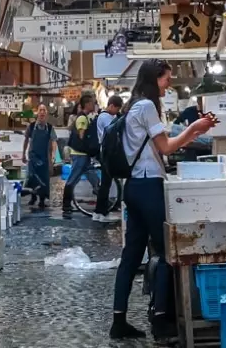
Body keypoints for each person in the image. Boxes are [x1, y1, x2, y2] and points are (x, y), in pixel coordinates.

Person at [111, 59, 217, 342]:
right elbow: (167, 147)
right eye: (166, 79)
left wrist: (195, 130)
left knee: (131, 257)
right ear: (153, 79)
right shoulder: (146, 106)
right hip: (147, 186)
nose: (169, 84)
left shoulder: (134, 105)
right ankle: (161, 322)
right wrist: (194, 126)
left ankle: (118, 321)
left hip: (133, 187)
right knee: (169, 252)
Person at [62, 94, 100, 217]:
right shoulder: (82, 119)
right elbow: (82, 137)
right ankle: (66, 204)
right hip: (80, 155)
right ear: (87, 104)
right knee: (73, 179)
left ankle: (101, 198)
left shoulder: (85, 117)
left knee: (93, 177)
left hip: (83, 155)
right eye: (93, 103)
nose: (94, 105)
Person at [93, 95, 124, 223]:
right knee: (105, 184)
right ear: (111, 106)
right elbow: (114, 130)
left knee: (106, 183)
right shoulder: (105, 117)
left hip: (107, 153)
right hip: (106, 153)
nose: (117, 111)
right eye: (117, 109)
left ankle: (99, 212)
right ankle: (100, 213)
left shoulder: (109, 116)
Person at [23, 104, 58, 210]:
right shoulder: (31, 126)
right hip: (33, 157)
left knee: (44, 179)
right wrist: (23, 153)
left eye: (44, 110)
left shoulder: (50, 128)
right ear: (37, 113)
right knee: (32, 178)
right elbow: (26, 140)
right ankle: (33, 197)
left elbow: (53, 142)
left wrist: (52, 157)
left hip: (44, 157)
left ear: (46, 113)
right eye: (40, 110)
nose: (42, 112)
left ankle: (42, 200)